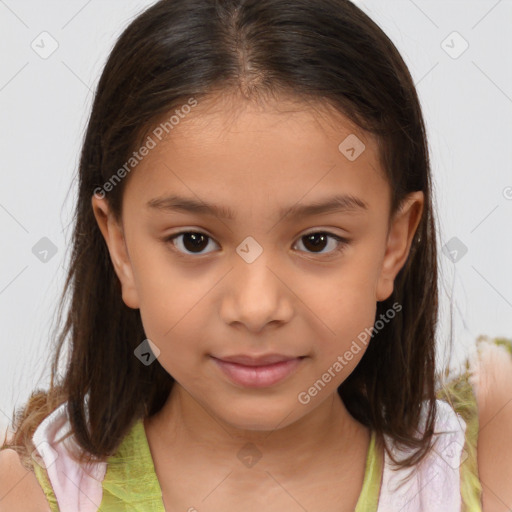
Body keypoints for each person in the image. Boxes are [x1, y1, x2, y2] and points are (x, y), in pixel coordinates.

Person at [1, 0, 511, 510]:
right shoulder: (25, 494)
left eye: (317, 241)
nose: (256, 307)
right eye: (194, 241)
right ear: (121, 248)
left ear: (393, 244)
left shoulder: (486, 463)